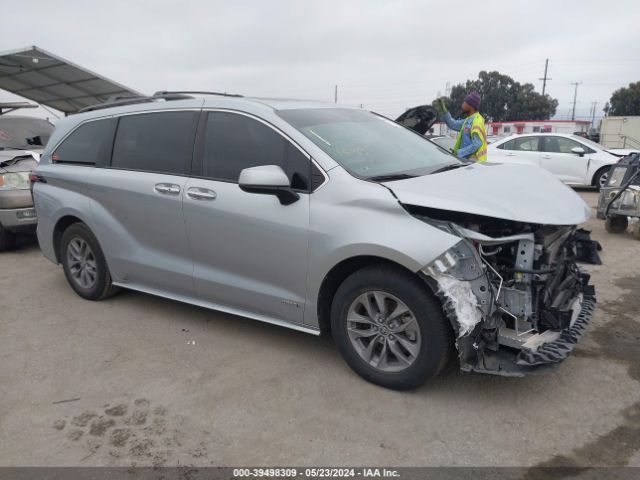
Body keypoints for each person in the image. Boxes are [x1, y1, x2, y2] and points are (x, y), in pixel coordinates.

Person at [440, 91, 487, 162]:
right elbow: (453, 124)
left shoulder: (477, 121)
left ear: (471, 105)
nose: (462, 105)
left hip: (474, 164)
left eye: (465, 102)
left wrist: (460, 152)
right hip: (466, 162)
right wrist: (445, 111)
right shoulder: (467, 120)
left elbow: (477, 143)